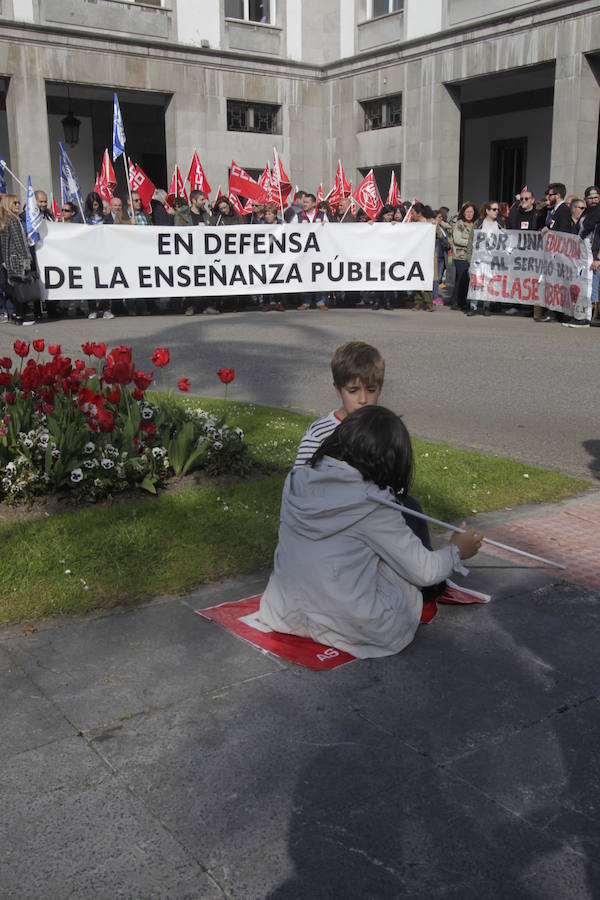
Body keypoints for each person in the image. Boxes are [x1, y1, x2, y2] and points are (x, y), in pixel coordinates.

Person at [259, 405, 482, 658]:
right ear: (390, 461)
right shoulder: (373, 504)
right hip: (354, 629)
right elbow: (424, 571)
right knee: (401, 571)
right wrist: (456, 552)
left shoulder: (296, 479)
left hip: (283, 612)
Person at [0, 193, 39, 325]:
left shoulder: (5, 220)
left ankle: (16, 315)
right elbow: (19, 243)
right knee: (20, 289)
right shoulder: (14, 221)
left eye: (18, 202)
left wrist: (4, 260)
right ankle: (20, 316)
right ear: (8, 205)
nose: (18, 205)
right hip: (16, 259)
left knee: (15, 288)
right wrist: (26, 261)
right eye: (14, 203)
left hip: (10, 259)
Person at [466, 200, 502, 317]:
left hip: (492, 260)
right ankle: (473, 306)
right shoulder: (479, 223)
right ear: (487, 210)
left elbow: (505, 241)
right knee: (476, 282)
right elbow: (471, 240)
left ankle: (487, 306)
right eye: (494, 209)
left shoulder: (500, 224)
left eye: (497, 209)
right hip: (478, 259)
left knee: (489, 283)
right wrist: (469, 257)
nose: (496, 212)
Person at [448, 202, 476, 310]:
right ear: (463, 213)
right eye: (467, 212)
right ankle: (456, 301)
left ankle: (462, 300)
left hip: (471, 256)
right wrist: (471, 242)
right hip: (460, 255)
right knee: (461, 279)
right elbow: (457, 239)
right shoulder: (459, 224)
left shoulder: (476, 224)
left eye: (471, 212)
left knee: (467, 280)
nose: (469, 214)